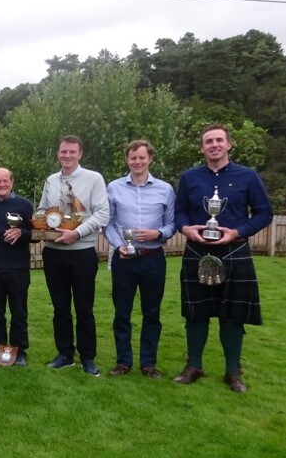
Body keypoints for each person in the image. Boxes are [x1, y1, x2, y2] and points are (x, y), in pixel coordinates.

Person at [173, 124, 273, 393]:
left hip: (234, 251)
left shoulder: (248, 176)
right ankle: (194, 365)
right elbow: (179, 212)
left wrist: (238, 232)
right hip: (197, 251)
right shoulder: (189, 178)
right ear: (202, 147)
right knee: (196, 313)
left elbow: (265, 213)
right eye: (208, 141)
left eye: (219, 140)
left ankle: (233, 371)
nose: (214, 145)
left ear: (229, 145)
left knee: (233, 314)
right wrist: (185, 228)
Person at [38, 135, 109, 376]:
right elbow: (42, 209)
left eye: (72, 152)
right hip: (54, 253)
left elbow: (102, 214)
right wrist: (42, 222)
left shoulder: (93, 179)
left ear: (80, 154)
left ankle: (88, 357)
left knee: (84, 308)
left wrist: (76, 233)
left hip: (82, 253)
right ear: (58, 153)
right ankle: (65, 354)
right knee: (60, 307)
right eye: (63, 152)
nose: (67, 156)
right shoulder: (50, 180)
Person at [105, 140, 175, 378]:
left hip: (153, 258)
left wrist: (159, 233)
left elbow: (172, 223)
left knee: (152, 313)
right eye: (133, 158)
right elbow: (109, 223)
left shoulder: (165, 189)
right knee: (121, 312)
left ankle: (148, 364)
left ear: (150, 159)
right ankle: (123, 362)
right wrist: (118, 244)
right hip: (123, 259)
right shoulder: (114, 187)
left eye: (142, 158)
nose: (137, 162)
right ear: (127, 160)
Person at [0, 168, 34, 365]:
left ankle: (19, 352)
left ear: (12, 182)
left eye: (5, 181)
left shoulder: (24, 205)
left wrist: (22, 233)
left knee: (19, 313)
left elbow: (36, 235)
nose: (1, 185)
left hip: (18, 268)